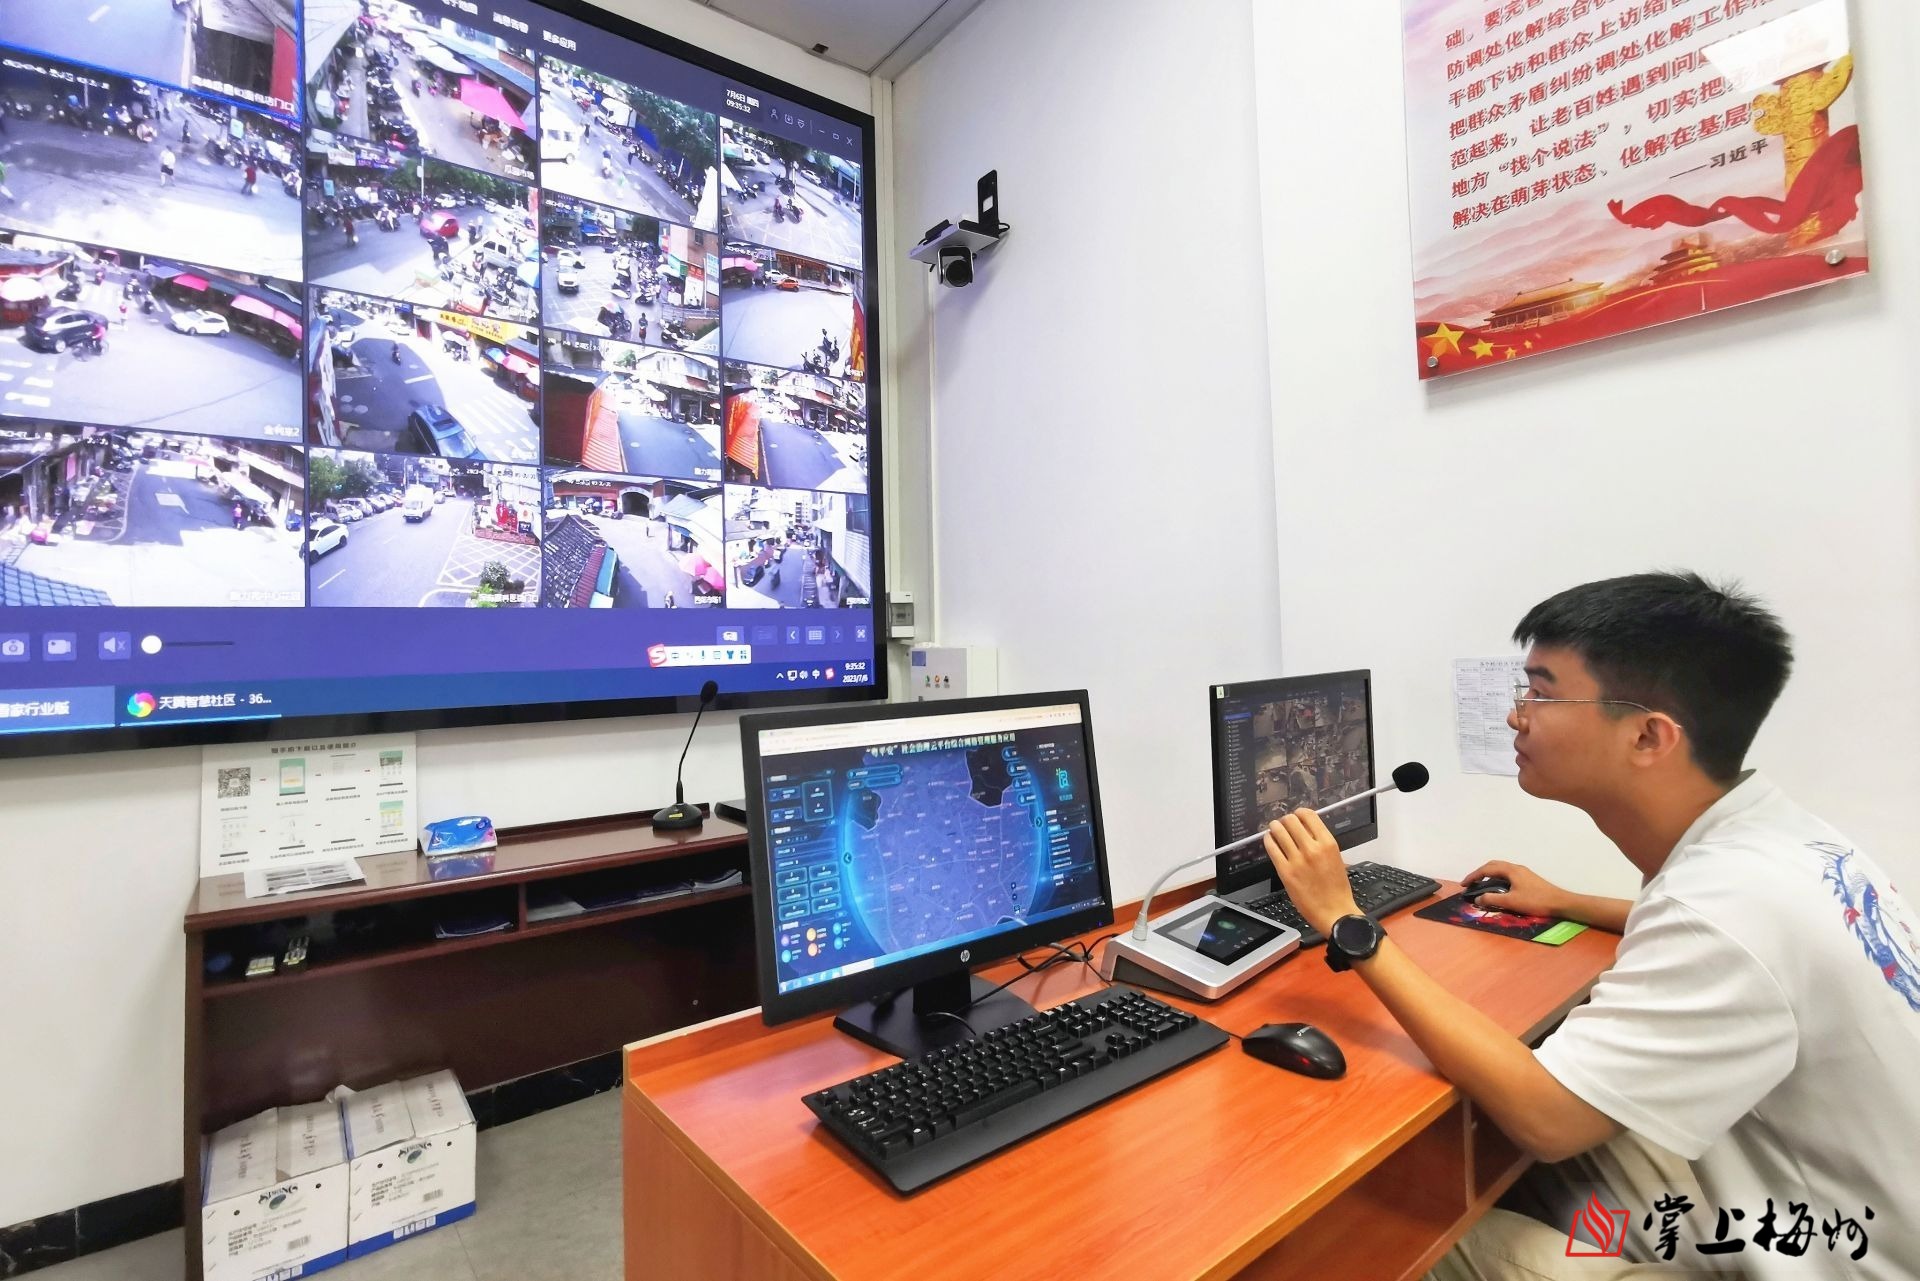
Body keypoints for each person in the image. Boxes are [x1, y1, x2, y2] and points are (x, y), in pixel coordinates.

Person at [1252, 573, 1918, 1280]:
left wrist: (1347, 923)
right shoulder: (1781, 842)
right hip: (1839, 1208)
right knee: (1478, 1154)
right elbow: (1739, 945)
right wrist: (1567, 901)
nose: (1516, 716)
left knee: (1374, 1234)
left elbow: (1548, 1120)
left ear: (1648, 736)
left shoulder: (1719, 909)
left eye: (1541, 693)